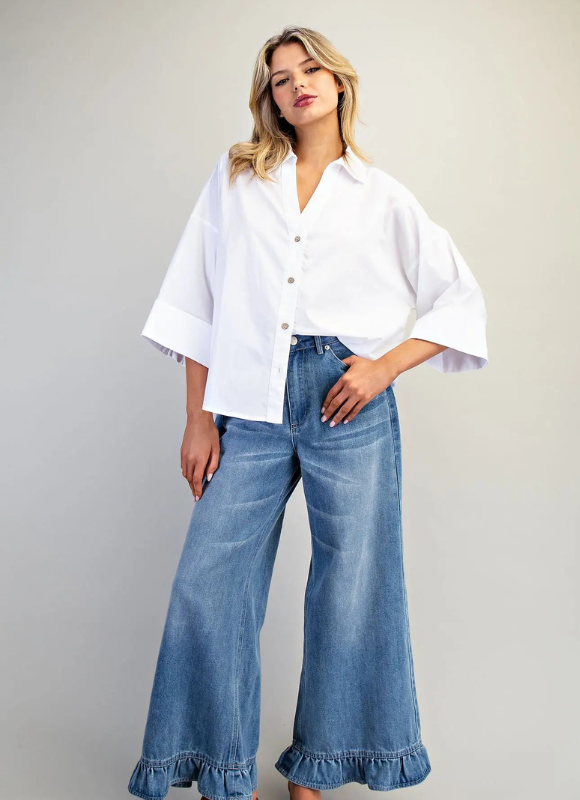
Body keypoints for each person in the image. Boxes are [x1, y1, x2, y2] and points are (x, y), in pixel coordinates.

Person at [127, 24, 488, 800]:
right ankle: (222, 771)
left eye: (310, 69)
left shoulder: (381, 195)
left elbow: (460, 299)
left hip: (345, 397)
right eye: (280, 77)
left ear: (339, 82)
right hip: (248, 400)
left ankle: (319, 769)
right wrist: (197, 418)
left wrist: (384, 366)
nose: (297, 83)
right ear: (270, 99)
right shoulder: (237, 178)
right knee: (208, 584)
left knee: (351, 586)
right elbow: (198, 299)